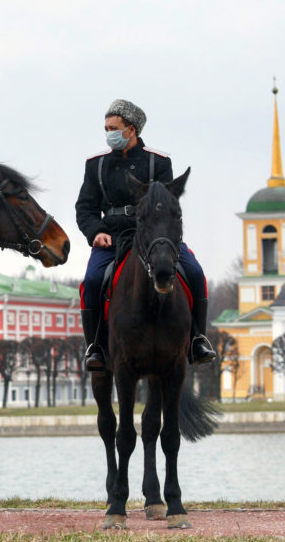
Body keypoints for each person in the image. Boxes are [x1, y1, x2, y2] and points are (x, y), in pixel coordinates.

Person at [75, 98, 216, 371]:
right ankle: (96, 346)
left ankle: (198, 338)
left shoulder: (159, 162)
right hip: (112, 238)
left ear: (131, 129)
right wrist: (96, 232)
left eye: (113, 127)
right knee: (91, 281)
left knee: (195, 273)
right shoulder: (96, 165)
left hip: (154, 237)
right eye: (105, 128)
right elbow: (85, 207)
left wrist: (159, 234)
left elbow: (166, 205)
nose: (108, 134)